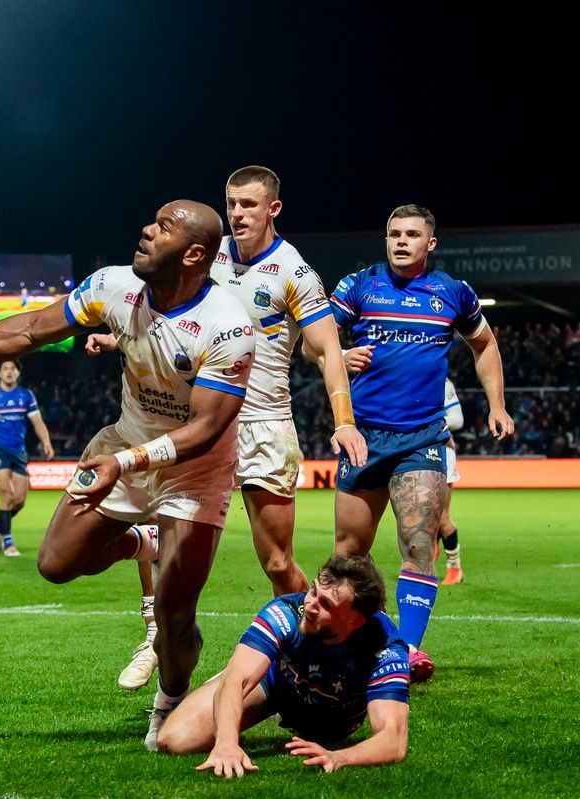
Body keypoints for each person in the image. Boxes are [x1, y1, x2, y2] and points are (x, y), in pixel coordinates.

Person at [0, 200, 256, 750]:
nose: (146, 229)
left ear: (194, 253)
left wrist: (124, 464)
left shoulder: (227, 326)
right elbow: (30, 329)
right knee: (55, 564)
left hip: (194, 469)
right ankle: (142, 544)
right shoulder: (113, 285)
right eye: (152, 219)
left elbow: (207, 428)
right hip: (123, 443)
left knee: (173, 610)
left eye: (164, 227)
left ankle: (168, 699)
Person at [89, 166, 366, 690]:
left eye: (247, 205)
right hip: (199, 420)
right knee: (162, 526)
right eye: (231, 203)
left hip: (263, 425)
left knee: (279, 563)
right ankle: (155, 635)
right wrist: (119, 340)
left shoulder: (294, 272)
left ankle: (324, 655)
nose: (237, 214)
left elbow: (328, 348)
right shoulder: (206, 254)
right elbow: (169, 317)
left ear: (272, 209)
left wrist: (343, 421)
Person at [328, 204, 513, 683]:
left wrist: (497, 404)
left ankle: (407, 650)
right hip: (362, 437)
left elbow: (485, 344)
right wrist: (339, 353)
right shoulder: (358, 286)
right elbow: (317, 342)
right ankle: (370, 634)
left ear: (430, 243)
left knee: (418, 543)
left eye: (411, 234)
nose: (400, 241)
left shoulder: (453, 293)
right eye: (393, 233)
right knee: (349, 552)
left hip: (423, 437)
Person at [155, 555, 409, 775]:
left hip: (334, 724)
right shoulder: (287, 611)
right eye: (313, 591)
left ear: (355, 621)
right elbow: (237, 680)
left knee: (327, 735)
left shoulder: (384, 647)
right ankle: (252, 665)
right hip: (278, 685)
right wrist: (226, 743)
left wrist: (340, 757)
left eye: (326, 605)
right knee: (176, 740)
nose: (310, 605)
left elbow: (393, 740)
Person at [0, 359, 54, 556]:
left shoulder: (26, 396)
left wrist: (46, 441)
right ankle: (8, 543)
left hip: (18, 452)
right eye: (5, 368)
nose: (9, 372)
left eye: (13, 368)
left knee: (19, 500)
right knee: (6, 495)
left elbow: (37, 422)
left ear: (18, 373)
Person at [438, 377, 464, 585]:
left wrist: (433, 423)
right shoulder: (406, 378)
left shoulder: (442, 382)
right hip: (414, 454)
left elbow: (457, 419)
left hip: (442, 454)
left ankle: (454, 569)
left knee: (442, 518)